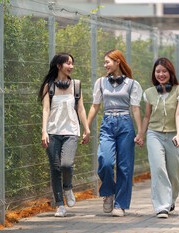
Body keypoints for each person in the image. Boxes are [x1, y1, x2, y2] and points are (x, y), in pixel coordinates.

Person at [87, 49, 143, 217]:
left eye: (107, 62)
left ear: (118, 61)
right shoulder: (100, 83)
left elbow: (135, 109)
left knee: (125, 167)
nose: (105, 65)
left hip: (125, 124)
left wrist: (140, 132)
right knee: (105, 161)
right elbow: (95, 106)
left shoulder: (133, 84)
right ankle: (108, 193)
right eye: (104, 62)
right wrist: (87, 127)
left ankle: (120, 204)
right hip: (107, 123)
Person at [39, 52, 90, 217]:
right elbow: (46, 109)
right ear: (58, 66)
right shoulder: (49, 86)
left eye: (72, 63)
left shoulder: (76, 85)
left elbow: (81, 108)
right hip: (53, 132)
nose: (71, 66)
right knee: (55, 169)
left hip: (71, 132)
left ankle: (68, 187)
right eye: (68, 63)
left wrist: (87, 129)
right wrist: (44, 131)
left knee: (67, 164)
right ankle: (60, 205)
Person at [141, 57, 179, 218]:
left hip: (173, 134)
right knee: (158, 168)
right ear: (154, 73)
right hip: (154, 134)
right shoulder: (149, 93)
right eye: (158, 71)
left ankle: (171, 199)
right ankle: (162, 206)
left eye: (164, 71)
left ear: (170, 73)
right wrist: (141, 134)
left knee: (174, 171)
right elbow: (147, 117)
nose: (161, 74)